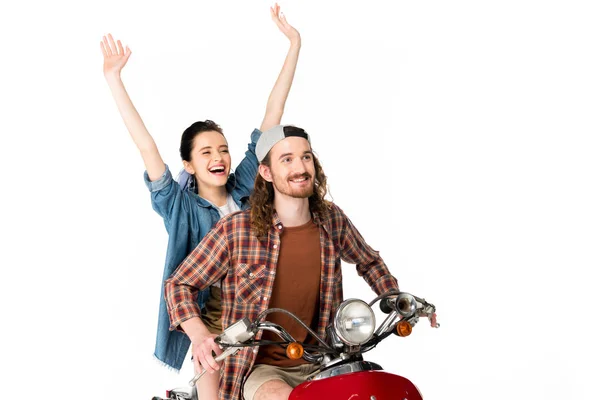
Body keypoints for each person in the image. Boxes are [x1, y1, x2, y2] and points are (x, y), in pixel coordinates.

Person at [101, 4, 301, 399]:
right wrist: (113, 78)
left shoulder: (245, 187)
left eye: (223, 150)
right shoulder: (180, 207)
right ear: (188, 164)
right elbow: (146, 146)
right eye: (206, 152)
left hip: (266, 316)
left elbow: (272, 116)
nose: (219, 158)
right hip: (212, 324)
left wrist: (294, 43)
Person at [164, 125, 401, 400]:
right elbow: (179, 284)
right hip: (261, 369)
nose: (299, 167)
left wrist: (396, 298)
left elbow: (369, 261)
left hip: (326, 361)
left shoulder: (332, 220)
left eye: (306, 157)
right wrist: (201, 336)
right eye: (286, 159)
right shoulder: (237, 230)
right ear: (266, 172)